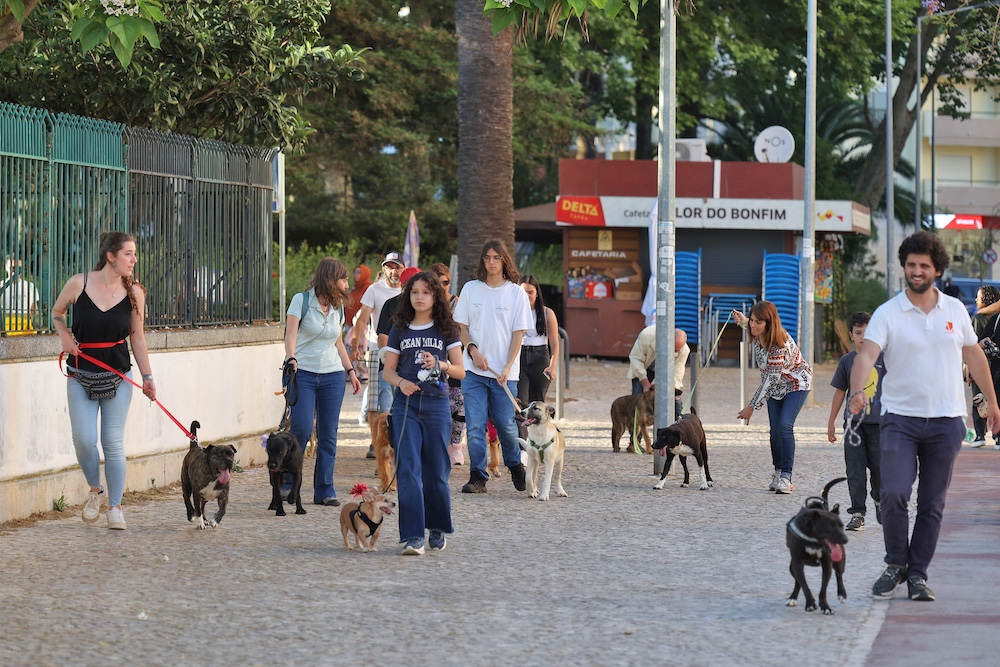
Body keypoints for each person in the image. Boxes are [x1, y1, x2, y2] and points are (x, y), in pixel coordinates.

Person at [850, 232, 1000, 602]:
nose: (917, 271)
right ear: (904, 266)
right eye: (911, 264)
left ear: (937, 269)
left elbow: (975, 356)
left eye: (925, 266)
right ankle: (896, 563)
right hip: (900, 419)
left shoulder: (954, 311)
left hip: (947, 421)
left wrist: (993, 403)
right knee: (895, 492)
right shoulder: (888, 313)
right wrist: (857, 391)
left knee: (932, 503)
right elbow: (866, 355)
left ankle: (917, 575)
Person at [50, 231, 156, 531]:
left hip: (119, 374)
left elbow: (137, 337)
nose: (134, 260)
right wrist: (65, 336)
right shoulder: (78, 283)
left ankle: (115, 507)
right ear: (111, 256)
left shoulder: (135, 291)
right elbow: (57, 312)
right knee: (83, 439)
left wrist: (148, 376)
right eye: (128, 254)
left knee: (112, 442)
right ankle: (96, 490)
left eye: (134, 254)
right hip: (80, 372)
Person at [381, 271, 465, 555]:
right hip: (406, 406)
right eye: (414, 291)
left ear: (435, 296)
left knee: (437, 471)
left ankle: (438, 527)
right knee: (408, 470)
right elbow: (388, 372)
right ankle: (413, 536)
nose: (419, 297)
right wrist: (402, 382)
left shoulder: (446, 329)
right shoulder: (400, 328)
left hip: (437, 405)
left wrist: (440, 364)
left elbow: (460, 371)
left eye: (426, 292)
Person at [454, 239, 532, 494]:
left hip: (504, 374)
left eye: (496, 258)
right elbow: (462, 328)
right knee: (475, 426)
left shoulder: (516, 293)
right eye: (487, 257)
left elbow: (518, 334)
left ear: (504, 260)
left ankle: (514, 465)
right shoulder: (470, 289)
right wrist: (473, 351)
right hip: (473, 371)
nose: (491, 262)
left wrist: (508, 367)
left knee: (506, 425)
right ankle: (478, 475)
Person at [284, 257, 362, 506]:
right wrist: (291, 358)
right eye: (343, 278)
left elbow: (337, 341)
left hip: (332, 376)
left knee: (329, 434)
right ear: (329, 279)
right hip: (303, 373)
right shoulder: (302, 301)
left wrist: (349, 369)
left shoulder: (338, 307)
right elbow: (291, 334)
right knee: (302, 429)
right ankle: (287, 483)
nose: (347, 283)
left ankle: (324, 490)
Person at [733, 301, 812, 495]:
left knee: (785, 425)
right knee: (774, 430)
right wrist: (743, 321)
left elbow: (770, 378)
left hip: (795, 384)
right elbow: (771, 382)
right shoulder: (757, 333)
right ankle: (777, 471)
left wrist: (751, 407)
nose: (753, 325)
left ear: (769, 323)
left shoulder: (779, 343)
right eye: (752, 320)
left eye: (758, 322)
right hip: (775, 388)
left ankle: (787, 477)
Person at [827, 311, 883, 532]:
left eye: (868, 332)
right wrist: (831, 421)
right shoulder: (847, 361)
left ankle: (879, 499)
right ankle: (858, 513)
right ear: (851, 335)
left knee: (880, 470)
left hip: (880, 425)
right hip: (853, 425)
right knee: (855, 471)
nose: (863, 337)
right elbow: (840, 392)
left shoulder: (884, 359)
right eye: (858, 333)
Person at [351, 252, 404, 457]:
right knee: (378, 402)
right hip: (377, 351)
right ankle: (377, 443)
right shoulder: (375, 290)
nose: (394, 271)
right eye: (389, 267)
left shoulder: (410, 291)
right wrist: (356, 346)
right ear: (383, 269)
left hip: (403, 353)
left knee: (394, 399)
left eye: (397, 267)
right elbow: (362, 319)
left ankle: (393, 444)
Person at [426, 263, 466, 466]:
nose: (443, 287)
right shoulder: (425, 303)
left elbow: (463, 328)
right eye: (438, 282)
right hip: (432, 358)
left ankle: (456, 446)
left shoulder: (457, 303)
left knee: (458, 406)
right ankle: (438, 446)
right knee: (436, 404)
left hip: (454, 355)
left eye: (446, 282)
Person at [626, 324, 689, 420]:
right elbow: (636, 359)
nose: (674, 352)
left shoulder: (684, 350)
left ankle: (673, 427)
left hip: (665, 371)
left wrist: (673, 391)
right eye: (673, 349)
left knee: (674, 401)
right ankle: (636, 431)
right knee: (638, 399)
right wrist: (645, 383)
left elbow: (677, 373)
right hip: (644, 366)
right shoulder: (647, 335)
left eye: (676, 350)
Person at [517, 274, 560, 404]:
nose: (527, 296)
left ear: (536, 294)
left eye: (531, 292)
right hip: (519, 355)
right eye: (524, 292)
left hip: (540, 356)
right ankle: (522, 425)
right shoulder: (513, 312)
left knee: (537, 401)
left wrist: (553, 365)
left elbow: (554, 342)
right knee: (520, 400)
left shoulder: (547, 313)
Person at [968, 285, 1000, 448]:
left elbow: (972, 344)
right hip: (994, 365)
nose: (976, 300)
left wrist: (968, 369)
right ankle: (997, 436)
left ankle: (980, 434)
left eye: (979, 298)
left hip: (981, 365)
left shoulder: (978, 318)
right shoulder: (996, 318)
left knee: (978, 399)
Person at [345, 263, 372, 382]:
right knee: (349, 346)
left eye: (359, 272)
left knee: (359, 348)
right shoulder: (354, 289)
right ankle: (352, 372)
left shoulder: (368, 289)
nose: (356, 275)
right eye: (355, 272)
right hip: (351, 325)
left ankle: (362, 372)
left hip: (362, 325)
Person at [1, 257, 40, 335]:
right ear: (6, 267)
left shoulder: (30, 286)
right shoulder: (1, 286)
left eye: (19, 268)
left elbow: (34, 310)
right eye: (12, 267)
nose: (15, 270)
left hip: (25, 326)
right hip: (5, 325)